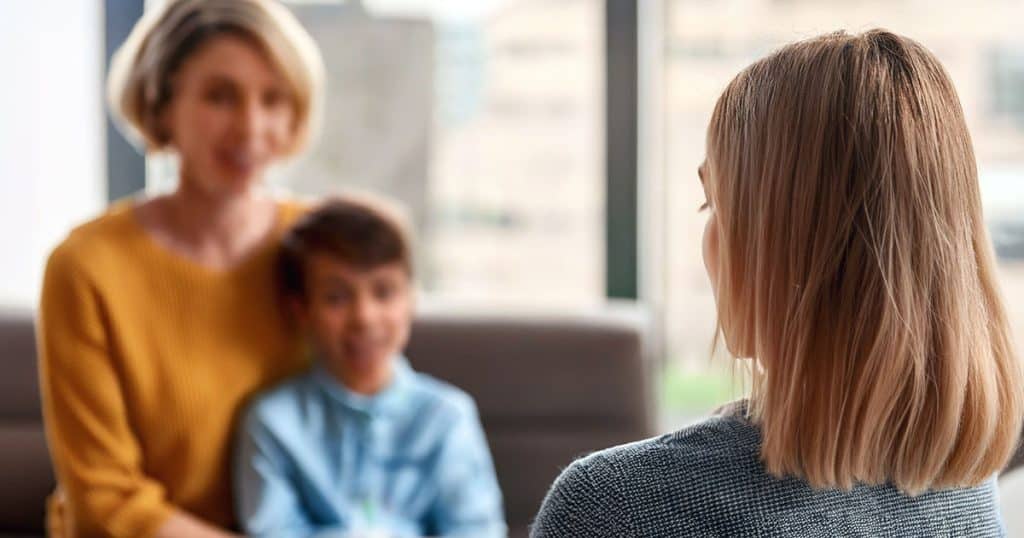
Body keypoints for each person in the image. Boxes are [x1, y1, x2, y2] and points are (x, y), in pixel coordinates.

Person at [532, 29, 1023, 537]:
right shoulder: (964, 484)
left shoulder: (614, 505)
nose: (709, 238)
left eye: (716, 204)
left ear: (782, 248)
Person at [37, 1, 324, 536]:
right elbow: (104, 497)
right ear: (162, 103)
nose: (251, 126)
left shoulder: (325, 247)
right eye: (220, 96)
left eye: (274, 99)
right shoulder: (86, 267)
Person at [234, 196, 506, 537]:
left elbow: (476, 530)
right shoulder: (273, 422)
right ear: (301, 310)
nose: (363, 317)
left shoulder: (447, 417)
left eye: (384, 292)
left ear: (410, 298)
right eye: (337, 297)